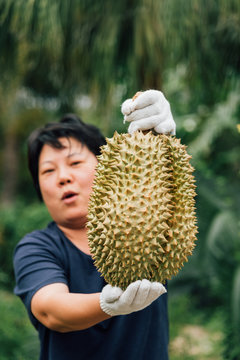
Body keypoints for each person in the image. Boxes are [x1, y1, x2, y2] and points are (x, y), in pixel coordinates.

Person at [13, 90, 176, 360]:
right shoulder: (37, 247)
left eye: (75, 162)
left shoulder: (150, 222)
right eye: (48, 171)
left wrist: (158, 135)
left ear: (106, 167)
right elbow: (50, 309)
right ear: (39, 188)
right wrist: (108, 305)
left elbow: (160, 185)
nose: (63, 177)